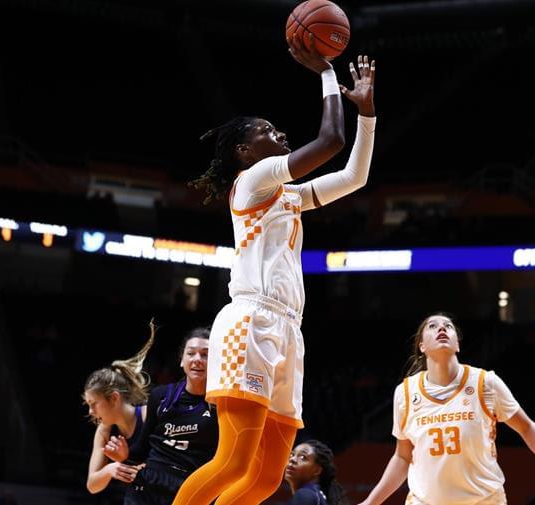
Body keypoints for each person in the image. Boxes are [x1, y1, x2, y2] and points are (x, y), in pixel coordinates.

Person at [172, 34, 377, 505]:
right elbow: (330, 141)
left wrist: (367, 113)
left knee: (265, 479)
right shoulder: (251, 181)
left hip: (289, 329)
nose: (278, 135)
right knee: (233, 463)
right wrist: (327, 74)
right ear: (244, 151)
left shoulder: (288, 196)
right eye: (266, 132)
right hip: (251, 321)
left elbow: (355, 177)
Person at [358, 313, 535, 505]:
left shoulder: (486, 383)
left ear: (457, 344)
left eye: (448, 326)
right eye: (432, 326)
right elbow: (403, 457)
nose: (441, 329)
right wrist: (371, 502)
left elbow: (527, 428)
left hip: (484, 500)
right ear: (421, 346)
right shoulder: (404, 393)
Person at [128, 327, 218, 505]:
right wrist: (124, 456)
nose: (197, 360)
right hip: (149, 481)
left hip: (189, 487)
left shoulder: (220, 405)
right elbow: (142, 447)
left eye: (205, 355)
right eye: (191, 353)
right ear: (181, 361)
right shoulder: (160, 396)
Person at [84, 322, 155, 497]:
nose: (91, 411)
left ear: (114, 398)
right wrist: (110, 468)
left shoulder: (148, 415)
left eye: (94, 403)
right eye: (88, 405)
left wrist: (125, 459)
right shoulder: (104, 430)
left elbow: (162, 469)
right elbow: (92, 485)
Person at [285, 439, 348, 505]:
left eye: (303, 457)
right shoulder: (315, 494)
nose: (292, 459)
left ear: (317, 470)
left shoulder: (305, 494)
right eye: (292, 454)